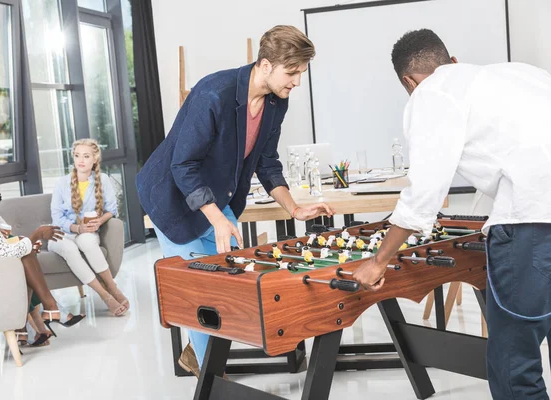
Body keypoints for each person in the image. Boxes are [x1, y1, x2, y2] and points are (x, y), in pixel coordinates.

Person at [352, 29, 551, 399]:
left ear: (408, 81)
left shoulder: (431, 93)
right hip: (537, 215)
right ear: (452, 61)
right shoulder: (519, 73)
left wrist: (379, 260)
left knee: (513, 363)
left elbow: (424, 192)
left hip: (532, 224)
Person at [137, 25, 335, 376]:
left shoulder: (276, 102)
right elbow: (182, 165)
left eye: (301, 73)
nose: (297, 82)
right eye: (292, 73)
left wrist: (295, 208)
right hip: (171, 197)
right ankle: (213, 376)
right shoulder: (214, 93)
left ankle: (198, 354)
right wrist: (217, 218)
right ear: (265, 65)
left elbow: (266, 160)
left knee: (231, 283)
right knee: (200, 290)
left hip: (216, 194)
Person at [0, 115, 84, 342]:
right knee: (24, 251)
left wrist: (0, 228)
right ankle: (45, 313)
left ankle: (31, 324)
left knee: (20, 248)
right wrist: (31, 238)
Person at [49, 138, 129, 317]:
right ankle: (106, 296)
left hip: (89, 230)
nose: (81, 160)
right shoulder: (62, 183)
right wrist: (77, 229)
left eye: (86, 156)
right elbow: (56, 217)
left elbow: (111, 210)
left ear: (95, 159)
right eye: (77, 156)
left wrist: (99, 222)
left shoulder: (104, 180)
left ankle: (113, 288)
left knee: (87, 242)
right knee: (70, 248)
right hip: (61, 233)